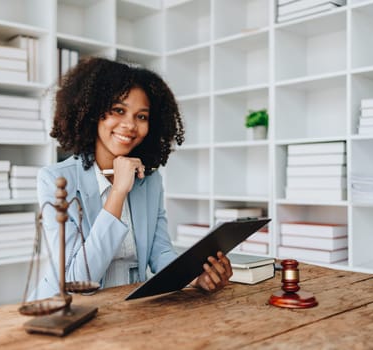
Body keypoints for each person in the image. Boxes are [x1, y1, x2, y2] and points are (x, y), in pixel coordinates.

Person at [34, 57, 232, 300]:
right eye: (118, 110)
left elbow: (160, 253)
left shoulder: (149, 179)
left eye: (142, 116)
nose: (130, 125)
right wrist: (117, 193)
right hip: (68, 310)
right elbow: (78, 278)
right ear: (94, 113)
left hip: (128, 309)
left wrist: (195, 276)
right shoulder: (55, 180)